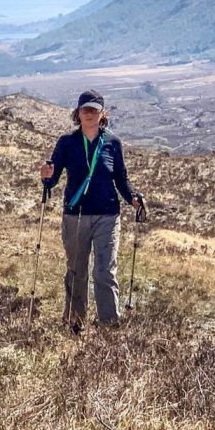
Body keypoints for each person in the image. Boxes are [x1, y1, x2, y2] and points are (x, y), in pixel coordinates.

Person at [40, 90, 144, 332]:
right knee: (76, 271)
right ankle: (75, 323)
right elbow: (52, 179)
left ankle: (110, 325)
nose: (89, 114)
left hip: (108, 215)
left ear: (102, 113)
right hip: (74, 216)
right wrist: (46, 176)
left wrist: (134, 199)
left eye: (94, 110)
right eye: (85, 109)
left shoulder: (113, 143)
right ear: (77, 113)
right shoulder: (67, 142)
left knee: (105, 271)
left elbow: (121, 179)